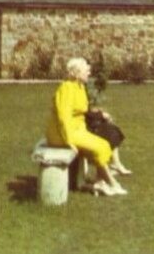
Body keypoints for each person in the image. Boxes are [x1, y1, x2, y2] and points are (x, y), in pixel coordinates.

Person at [46, 58, 127, 196]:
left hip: (77, 130)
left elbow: (82, 112)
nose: (89, 72)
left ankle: (102, 182)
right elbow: (63, 117)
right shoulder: (66, 88)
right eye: (86, 70)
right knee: (99, 147)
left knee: (104, 144)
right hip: (62, 133)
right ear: (77, 73)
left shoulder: (79, 87)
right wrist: (68, 141)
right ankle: (112, 184)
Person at [84, 76, 132, 176]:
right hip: (84, 128)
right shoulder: (78, 92)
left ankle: (116, 164)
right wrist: (102, 115)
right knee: (110, 131)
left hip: (88, 124)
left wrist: (102, 115)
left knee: (112, 129)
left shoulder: (83, 91)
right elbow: (84, 112)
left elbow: (89, 111)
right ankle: (115, 164)